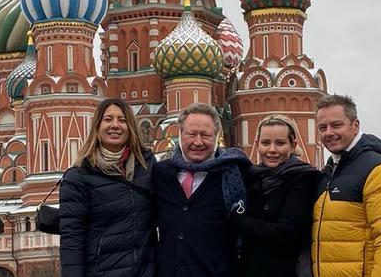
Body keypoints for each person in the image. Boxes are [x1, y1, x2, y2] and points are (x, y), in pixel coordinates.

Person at [312, 94, 381, 277]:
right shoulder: (330, 171)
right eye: (322, 128)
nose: (329, 133)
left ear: (355, 125)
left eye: (336, 125)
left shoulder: (379, 170)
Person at [59, 98, 156, 277]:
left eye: (122, 120)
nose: (115, 125)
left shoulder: (147, 167)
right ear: (97, 126)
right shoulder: (79, 176)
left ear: (131, 127)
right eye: (108, 119)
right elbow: (72, 240)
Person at [153, 103, 251, 277]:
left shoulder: (233, 174)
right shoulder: (161, 173)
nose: (198, 142)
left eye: (205, 135)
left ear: (216, 137)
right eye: (191, 134)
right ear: (180, 134)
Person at [231, 115, 319, 277]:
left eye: (280, 143)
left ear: (293, 145)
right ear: (257, 145)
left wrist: (240, 222)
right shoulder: (250, 177)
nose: (272, 150)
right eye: (265, 143)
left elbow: (287, 233)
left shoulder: (304, 178)